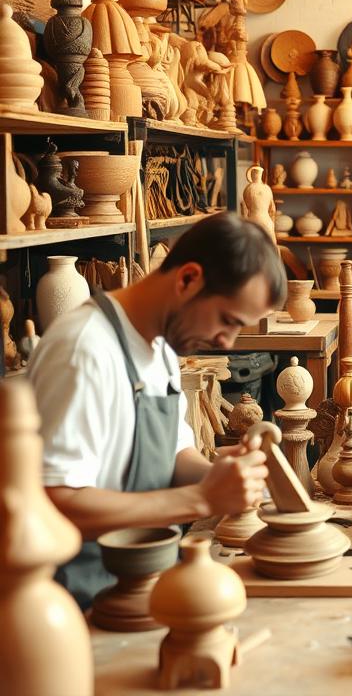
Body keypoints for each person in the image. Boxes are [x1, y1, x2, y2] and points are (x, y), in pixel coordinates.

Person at [28, 212, 286, 608]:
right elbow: (53, 501)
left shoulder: (161, 348)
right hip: (77, 601)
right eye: (227, 321)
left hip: (140, 580)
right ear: (187, 279)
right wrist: (202, 499)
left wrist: (220, 476)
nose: (226, 341)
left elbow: (174, 455)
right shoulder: (84, 349)